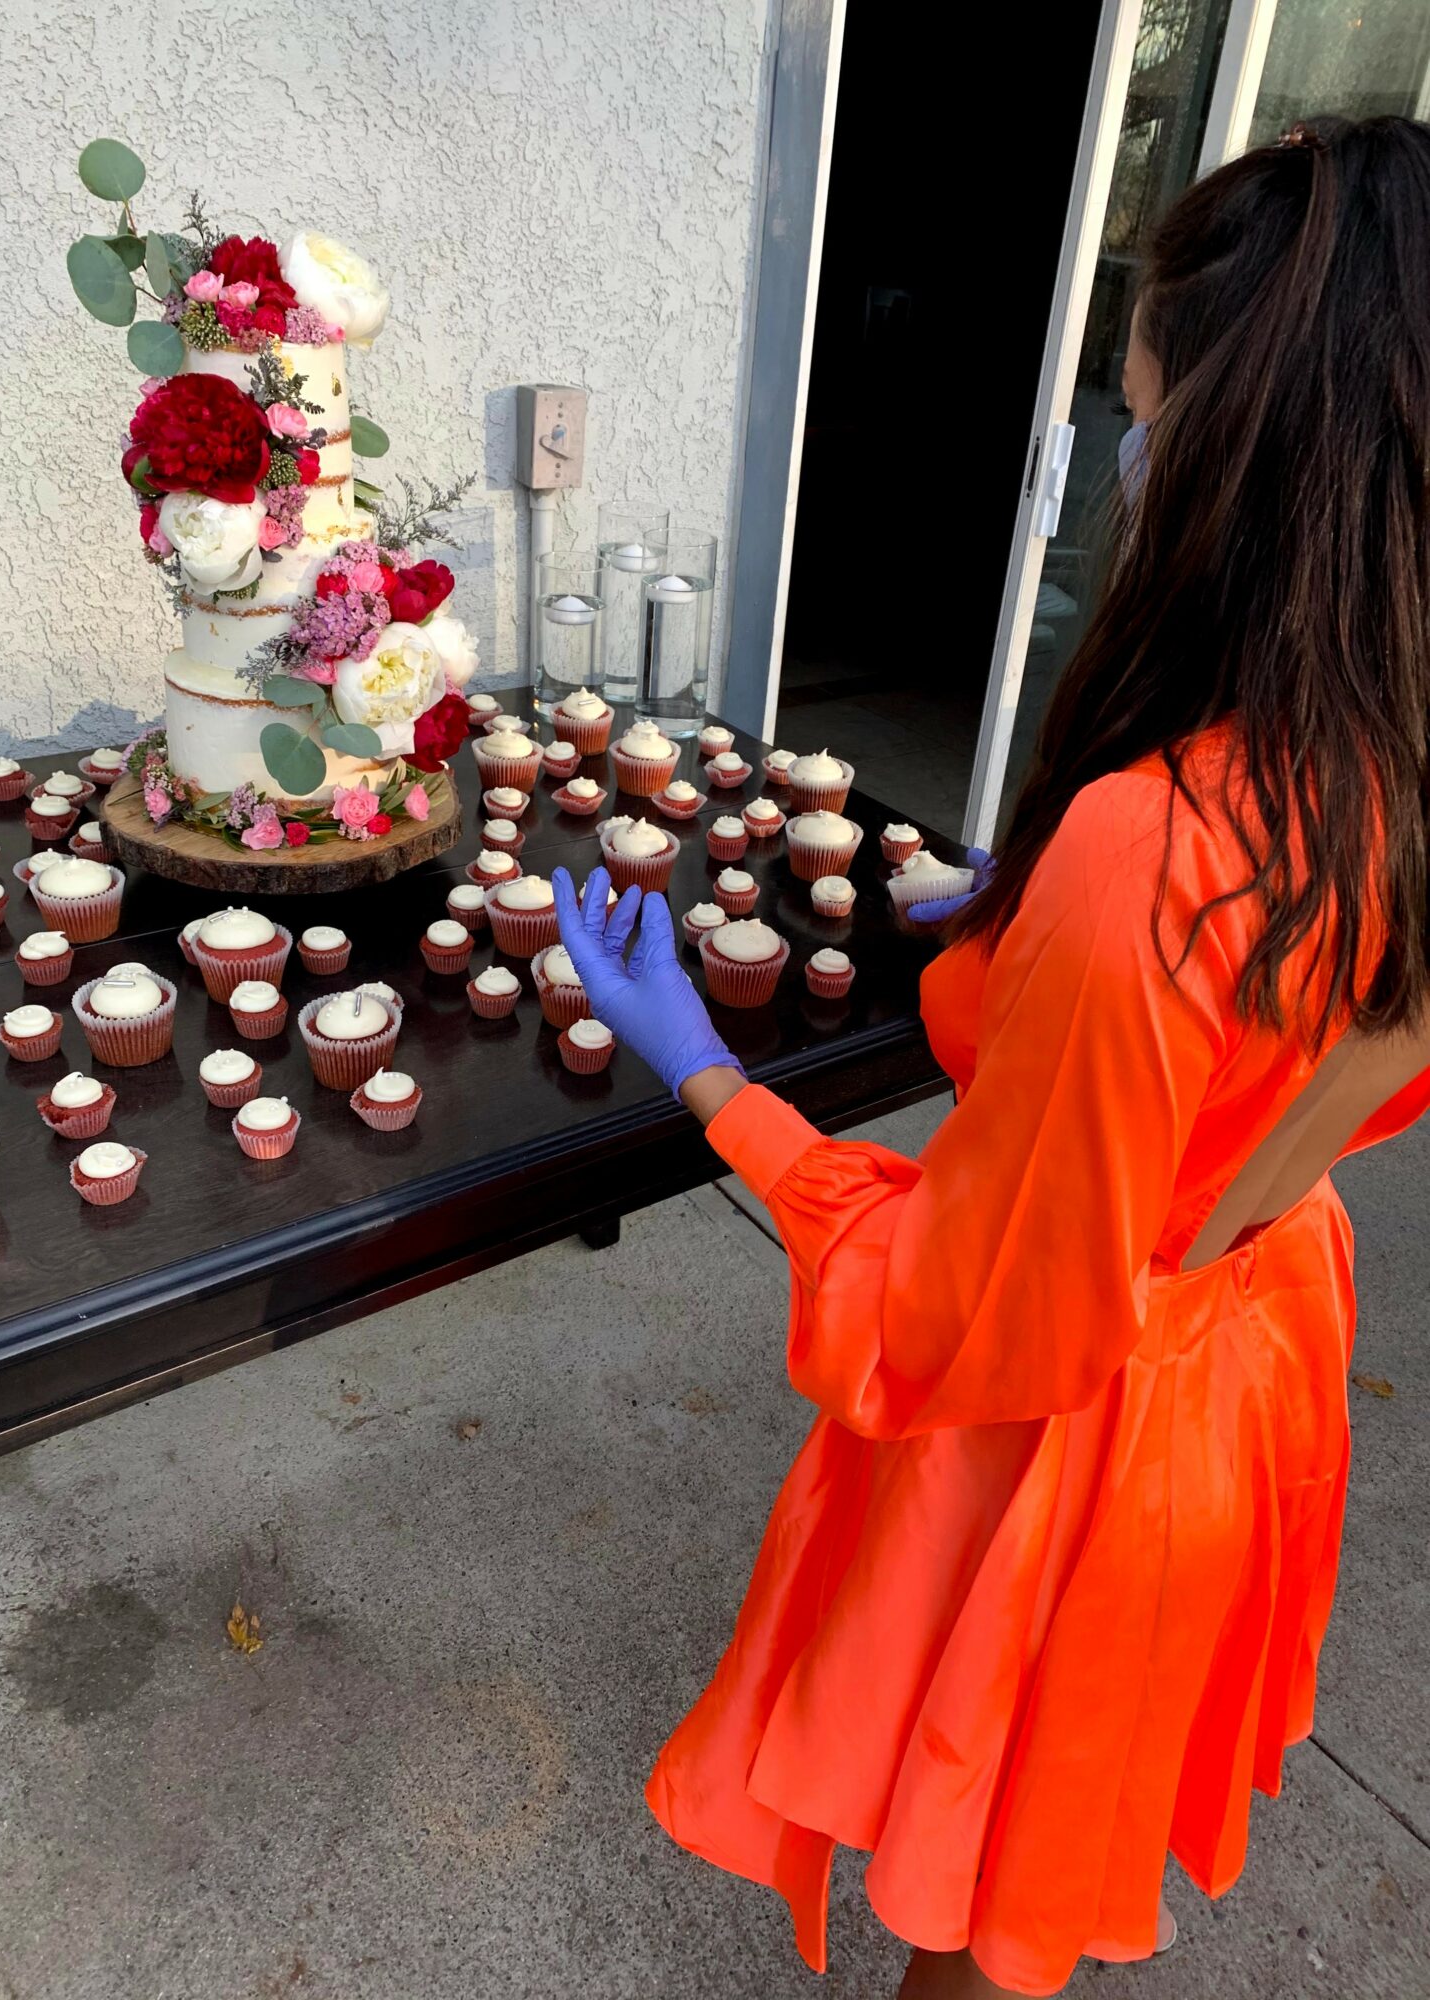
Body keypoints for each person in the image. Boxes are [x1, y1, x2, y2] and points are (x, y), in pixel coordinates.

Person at [551, 115, 1430, 1997]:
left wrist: (711, 1078)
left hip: (1088, 1425)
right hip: (1260, 1339)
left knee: (979, 1863)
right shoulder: (1378, 763)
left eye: (1143, 414)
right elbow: (1291, 1041)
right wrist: (1029, 922)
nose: (1121, 459)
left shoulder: (1161, 845)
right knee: (1058, 1815)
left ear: (1240, 455)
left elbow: (954, 1316)